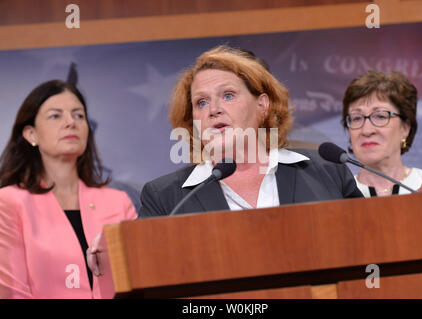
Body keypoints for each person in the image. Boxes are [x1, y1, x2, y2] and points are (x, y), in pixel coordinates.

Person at [138, 45, 362, 218]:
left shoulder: (327, 172)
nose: (214, 110)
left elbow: (368, 243)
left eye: (228, 95)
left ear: (262, 106)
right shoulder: (165, 198)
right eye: (201, 102)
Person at [0, 80, 137, 299]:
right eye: (55, 116)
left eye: (78, 115)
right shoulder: (9, 202)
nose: (70, 122)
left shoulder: (119, 202)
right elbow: (12, 292)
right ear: (30, 134)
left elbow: (139, 279)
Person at [341, 70, 422, 197]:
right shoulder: (336, 195)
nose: (366, 130)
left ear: (405, 128)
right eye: (357, 118)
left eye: (380, 116)